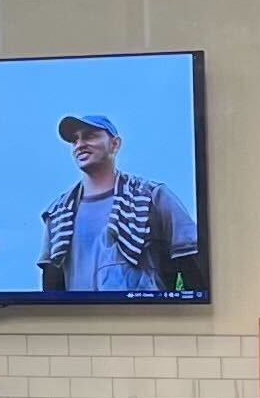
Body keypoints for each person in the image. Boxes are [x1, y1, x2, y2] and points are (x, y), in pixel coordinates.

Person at [36, 112, 194, 294]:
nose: (80, 145)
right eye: (74, 140)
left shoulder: (151, 196)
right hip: (82, 312)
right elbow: (53, 286)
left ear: (115, 144)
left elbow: (191, 262)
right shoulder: (59, 213)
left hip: (145, 310)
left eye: (90, 136)